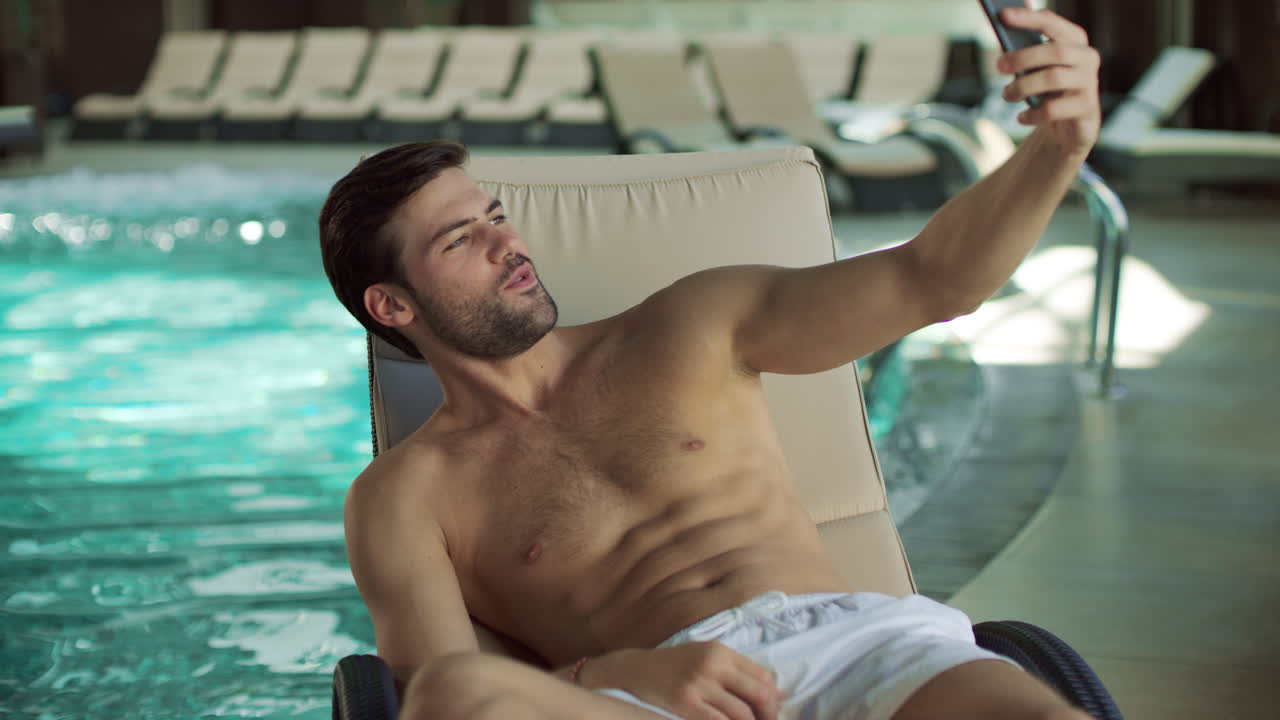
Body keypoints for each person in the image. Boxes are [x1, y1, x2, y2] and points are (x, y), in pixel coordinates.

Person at [318, 6, 1101, 719]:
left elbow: (932, 278)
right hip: (650, 698)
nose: (508, 243)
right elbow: (434, 695)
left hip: (861, 649)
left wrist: (1057, 148)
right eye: (461, 240)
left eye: (495, 216)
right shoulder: (405, 495)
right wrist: (610, 675)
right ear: (392, 305)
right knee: (455, 693)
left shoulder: (691, 326)